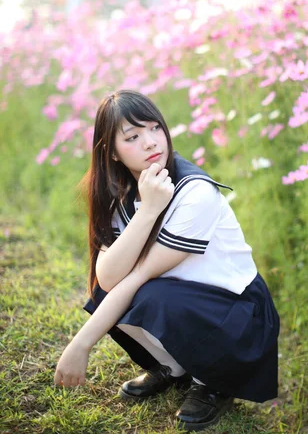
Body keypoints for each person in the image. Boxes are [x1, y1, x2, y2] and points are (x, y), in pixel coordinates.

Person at [54, 89, 280, 432]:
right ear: (112, 154)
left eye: (154, 128)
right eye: (132, 137)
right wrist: (148, 210)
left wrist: (81, 344)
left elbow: (141, 273)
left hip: (238, 316)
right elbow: (109, 277)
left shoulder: (195, 193)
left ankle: (212, 382)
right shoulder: (122, 190)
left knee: (150, 295)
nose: (150, 142)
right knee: (108, 294)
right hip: (193, 304)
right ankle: (174, 366)